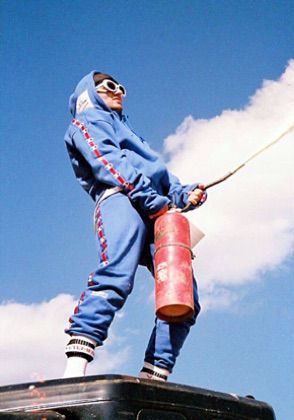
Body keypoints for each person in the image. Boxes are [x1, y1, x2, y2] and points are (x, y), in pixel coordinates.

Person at [63, 71, 206, 381]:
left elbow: (166, 181)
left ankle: (153, 378)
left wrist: (185, 193)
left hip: (157, 212)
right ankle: (74, 369)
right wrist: (155, 201)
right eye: (109, 86)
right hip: (123, 201)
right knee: (116, 275)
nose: (118, 91)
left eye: (121, 87)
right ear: (89, 93)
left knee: (183, 296)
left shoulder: (136, 138)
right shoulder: (89, 120)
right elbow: (109, 162)